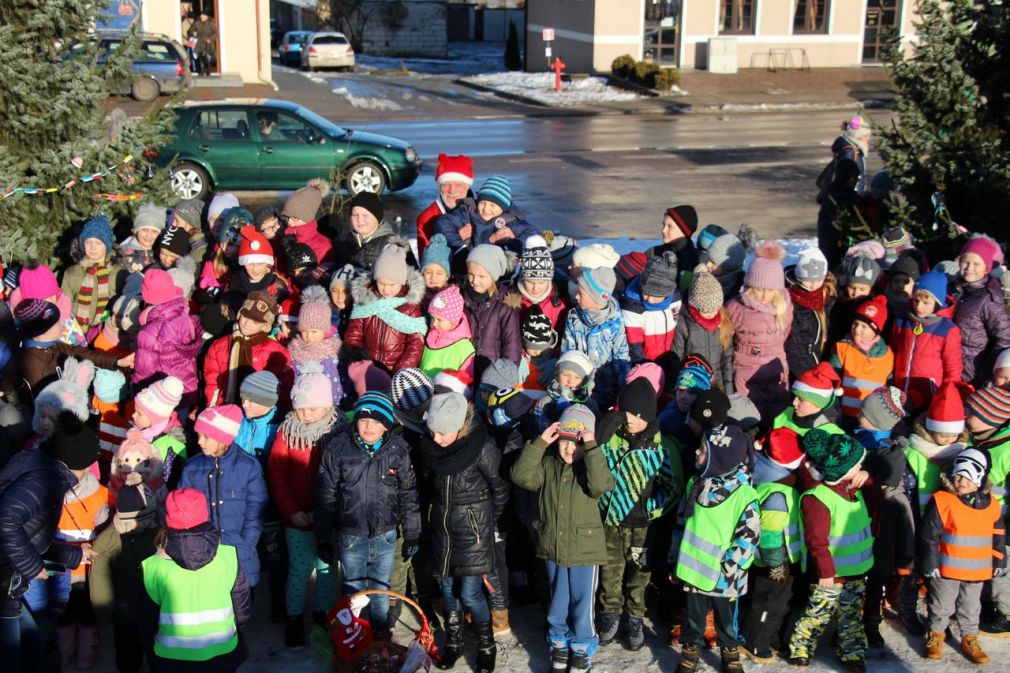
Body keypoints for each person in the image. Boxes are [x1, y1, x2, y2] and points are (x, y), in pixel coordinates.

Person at [510, 405, 615, 673]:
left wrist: (590, 445)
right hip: (553, 544)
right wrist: (540, 442)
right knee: (558, 599)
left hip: (585, 549)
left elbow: (602, 485)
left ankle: (581, 647)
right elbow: (521, 476)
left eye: (578, 445)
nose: (571, 450)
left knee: (582, 602)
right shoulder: (546, 463)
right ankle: (558, 643)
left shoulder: (591, 466)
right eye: (566, 443)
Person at [314, 392, 421, 633]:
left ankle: (380, 633)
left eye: (376, 421)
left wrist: (412, 533)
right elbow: (325, 494)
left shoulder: (398, 450)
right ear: (356, 421)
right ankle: (354, 633)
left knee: (381, 588)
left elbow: (408, 493)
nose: (369, 427)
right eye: (364, 420)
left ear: (386, 425)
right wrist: (322, 537)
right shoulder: (339, 448)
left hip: (385, 535)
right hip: (351, 535)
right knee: (354, 590)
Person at [0, 412, 98, 673]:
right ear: (74, 465)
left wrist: (75, 555)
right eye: (87, 468)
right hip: (4, 582)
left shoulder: (45, 473)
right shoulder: (44, 481)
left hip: (11, 582)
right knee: (11, 658)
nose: (88, 474)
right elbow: (5, 521)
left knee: (32, 645)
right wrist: (33, 566)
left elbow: (33, 538)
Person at [670, 390, 759, 673]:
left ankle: (729, 651)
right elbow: (681, 524)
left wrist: (730, 567)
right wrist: (675, 558)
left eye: (703, 450)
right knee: (694, 617)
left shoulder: (745, 495)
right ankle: (690, 650)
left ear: (719, 459)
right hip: (694, 569)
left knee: (725, 617)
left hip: (724, 576)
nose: (697, 452)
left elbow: (748, 537)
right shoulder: (696, 486)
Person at [419, 393, 508, 673]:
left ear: (459, 426)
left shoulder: (482, 447)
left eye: (443, 433)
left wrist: (486, 522)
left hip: (473, 530)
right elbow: (427, 486)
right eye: (432, 431)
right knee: (447, 590)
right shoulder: (430, 447)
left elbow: (500, 488)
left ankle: (486, 644)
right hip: (442, 529)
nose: (437, 438)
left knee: (470, 593)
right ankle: (454, 643)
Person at [596, 379, 682, 651]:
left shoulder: (660, 446)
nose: (630, 419)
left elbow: (672, 485)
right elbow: (593, 459)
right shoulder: (612, 439)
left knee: (638, 574)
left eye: (636, 414)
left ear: (648, 415)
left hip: (642, 526)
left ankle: (635, 616)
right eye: (626, 412)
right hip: (611, 520)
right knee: (610, 572)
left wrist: (653, 509)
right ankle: (609, 615)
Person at [268, 366, 344, 651]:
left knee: (326, 568)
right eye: (301, 409)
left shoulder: (338, 432)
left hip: (327, 516)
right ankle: (294, 619)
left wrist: (326, 512)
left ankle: (323, 616)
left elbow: (342, 476)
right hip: (296, 517)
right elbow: (277, 473)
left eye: (313, 409)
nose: (306, 415)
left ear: (327, 406)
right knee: (299, 569)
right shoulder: (287, 432)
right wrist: (291, 511)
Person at [139, 488, 251, 672]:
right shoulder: (228, 557)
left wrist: (147, 644)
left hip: (171, 658)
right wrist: (240, 627)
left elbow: (147, 618)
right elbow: (242, 604)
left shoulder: (154, 566)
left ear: (168, 520)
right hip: (222, 652)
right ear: (205, 515)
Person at [789, 430, 873, 672]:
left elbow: (874, 482)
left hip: (856, 571)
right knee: (818, 614)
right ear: (843, 469)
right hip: (830, 575)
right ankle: (801, 648)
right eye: (858, 465)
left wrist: (865, 474)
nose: (861, 468)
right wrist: (825, 572)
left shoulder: (849, 486)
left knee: (851, 615)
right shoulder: (817, 499)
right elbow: (817, 541)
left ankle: (853, 652)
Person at [921, 448, 1004, 664]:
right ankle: (936, 634)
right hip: (946, 569)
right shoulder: (942, 500)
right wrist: (930, 562)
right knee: (942, 604)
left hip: (978, 570)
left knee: (971, 605)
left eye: (967, 477)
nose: (961, 481)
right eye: (958, 476)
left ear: (980, 478)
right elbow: (929, 535)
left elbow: (998, 534)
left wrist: (999, 558)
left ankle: (969, 637)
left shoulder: (992, 504)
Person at [180, 405, 268, 589]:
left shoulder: (248, 466)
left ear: (223, 438)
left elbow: (256, 506)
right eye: (198, 436)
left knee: (241, 607)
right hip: (203, 550)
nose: (200, 442)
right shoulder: (192, 468)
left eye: (206, 436)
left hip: (239, 550)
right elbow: (183, 508)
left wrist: (248, 540)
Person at [741, 427, 802, 663]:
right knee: (768, 603)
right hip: (774, 562)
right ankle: (754, 642)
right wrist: (776, 567)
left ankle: (770, 637)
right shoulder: (777, 493)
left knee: (777, 602)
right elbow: (771, 535)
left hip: (776, 560)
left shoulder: (768, 479)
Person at [89, 478, 159, 673]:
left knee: (157, 653)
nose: (148, 522)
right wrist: (104, 612)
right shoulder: (107, 542)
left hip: (154, 609)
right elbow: (100, 580)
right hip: (125, 613)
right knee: (127, 655)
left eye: (150, 517)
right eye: (143, 518)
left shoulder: (158, 533)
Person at [726, 242, 793, 423]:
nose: (764, 295)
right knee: (747, 418)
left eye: (770, 290)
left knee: (777, 417)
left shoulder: (784, 308)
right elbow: (727, 338)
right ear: (749, 285)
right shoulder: (736, 307)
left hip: (775, 372)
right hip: (746, 372)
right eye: (759, 289)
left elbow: (784, 334)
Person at [344, 244, 426, 374]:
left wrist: (400, 371)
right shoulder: (366, 299)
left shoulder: (410, 306)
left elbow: (415, 344)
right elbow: (354, 335)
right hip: (367, 370)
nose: (386, 289)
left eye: (392, 284)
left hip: (395, 371)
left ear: (402, 281)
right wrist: (361, 363)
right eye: (381, 283)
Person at [202, 291, 293, 407]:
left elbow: (282, 388)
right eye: (245, 316)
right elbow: (212, 382)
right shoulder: (219, 346)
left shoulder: (276, 352)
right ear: (240, 314)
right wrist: (211, 409)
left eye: (255, 321)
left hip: (259, 413)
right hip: (224, 408)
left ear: (265, 326)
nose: (247, 323)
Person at [890, 270, 963, 412]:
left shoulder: (947, 329)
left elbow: (953, 368)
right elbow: (892, 350)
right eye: (916, 300)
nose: (919, 307)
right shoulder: (902, 321)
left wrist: (948, 394)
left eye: (926, 302)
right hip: (899, 389)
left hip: (929, 393)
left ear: (937, 302)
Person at [562, 266, 630, 409]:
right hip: (577, 387)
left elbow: (621, 358)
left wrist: (623, 391)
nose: (576, 296)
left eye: (581, 293)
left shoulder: (615, 322)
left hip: (606, 391)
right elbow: (568, 350)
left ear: (598, 298)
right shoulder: (574, 317)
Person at [950, 236, 1010, 386]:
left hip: (971, 374)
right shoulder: (953, 289)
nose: (970, 268)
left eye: (976, 264)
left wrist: (984, 374)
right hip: (947, 367)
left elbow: (1004, 339)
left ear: (986, 268)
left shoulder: (989, 298)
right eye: (966, 261)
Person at [829, 295, 893, 424]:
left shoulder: (888, 355)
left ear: (876, 330)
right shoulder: (842, 348)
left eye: (864, 327)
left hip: (871, 418)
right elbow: (832, 378)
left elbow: (889, 385)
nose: (857, 329)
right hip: (843, 414)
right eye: (855, 324)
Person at [462, 245, 522, 375]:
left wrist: (506, 375)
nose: (475, 281)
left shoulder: (506, 304)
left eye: (482, 276)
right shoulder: (460, 297)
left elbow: (512, 345)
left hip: (492, 373)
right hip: (464, 370)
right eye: (471, 274)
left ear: (493, 275)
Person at [672, 267, 733, 392]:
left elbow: (727, 359)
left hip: (717, 385)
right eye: (705, 311)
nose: (711, 314)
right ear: (694, 306)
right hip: (693, 384)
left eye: (715, 309)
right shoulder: (684, 323)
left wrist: (729, 390)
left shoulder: (723, 321)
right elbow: (677, 357)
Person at [61, 214, 125, 330]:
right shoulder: (72, 273)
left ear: (107, 246)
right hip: (76, 332)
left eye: (98, 243)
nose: (93, 247)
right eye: (88, 242)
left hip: (105, 332)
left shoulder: (118, 274)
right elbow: (64, 305)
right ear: (82, 244)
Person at [620, 251, 682, 363]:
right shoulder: (633, 308)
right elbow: (634, 346)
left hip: (669, 358)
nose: (648, 298)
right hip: (645, 363)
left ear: (667, 293)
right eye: (645, 292)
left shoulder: (675, 300)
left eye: (655, 296)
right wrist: (645, 365)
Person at [784, 248, 834, 378]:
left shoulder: (827, 295)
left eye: (817, 280)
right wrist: (810, 376)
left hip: (821, 363)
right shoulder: (790, 301)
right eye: (807, 280)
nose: (812, 286)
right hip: (801, 370)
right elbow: (793, 345)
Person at [416, 153, 474, 258]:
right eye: (446, 185)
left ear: (468, 186)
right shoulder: (426, 219)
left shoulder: (485, 207)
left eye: (458, 185)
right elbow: (427, 264)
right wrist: (454, 238)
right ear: (439, 186)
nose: (452, 191)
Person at [420, 285, 475, 378]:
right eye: (432, 318)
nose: (434, 324)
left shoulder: (464, 348)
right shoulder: (428, 338)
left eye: (439, 320)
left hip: (448, 392)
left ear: (454, 321)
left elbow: (466, 382)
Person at [648, 205, 700, 290]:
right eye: (663, 225)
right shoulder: (653, 253)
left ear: (684, 230)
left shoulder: (699, 259)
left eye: (669, 226)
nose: (663, 230)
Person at [193, 10, 218, 76]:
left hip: (208, 44)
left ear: (207, 16)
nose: (202, 17)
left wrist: (210, 39)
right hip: (199, 43)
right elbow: (191, 31)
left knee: (208, 59)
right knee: (200, 58)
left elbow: (216, 33)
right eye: (201, 15)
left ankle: (208, 71)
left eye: (203, 15)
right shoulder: (197, 23)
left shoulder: (211, 23)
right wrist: (194, 33)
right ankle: (201, 71)